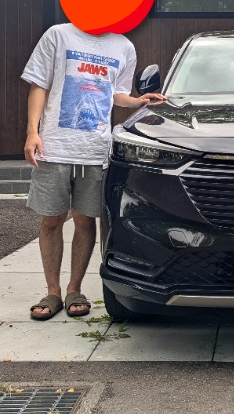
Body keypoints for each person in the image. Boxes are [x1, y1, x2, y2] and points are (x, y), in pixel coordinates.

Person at [21, 22, 165, 320]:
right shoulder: (58, 35)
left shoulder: (123, 46)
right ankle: (52, 292)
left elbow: (117, 94)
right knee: (52, 220)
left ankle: (74, 289)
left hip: (95, 150)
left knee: (85, 221)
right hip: (54, 147)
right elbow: (39, 85)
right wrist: (32, 133)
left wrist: (137, 101)